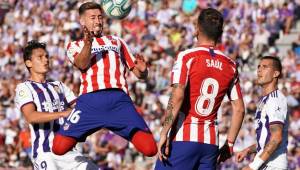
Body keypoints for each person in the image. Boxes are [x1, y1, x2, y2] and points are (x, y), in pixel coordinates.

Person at [52, 2, 157, 157]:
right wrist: (88, 43)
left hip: (118, 101)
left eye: (100, 17)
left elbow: (139, 74)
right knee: (58, 147)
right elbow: (82, 63)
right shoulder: (74, 45)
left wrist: (143, 71)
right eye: (92, 17)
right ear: (82, 21)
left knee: (150, 149)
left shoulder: (116, 41)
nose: (97, 21)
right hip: (89, 102)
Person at [154, 8, 245, 170]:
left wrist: (164, 132)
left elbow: (177, 96)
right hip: (210, 144)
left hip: (183, 138)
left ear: (197, 28)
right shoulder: (231, 65)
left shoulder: (187, 57)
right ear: (220, 32)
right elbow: (239, 109)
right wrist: (229, 144)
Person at [15, 40, 98, 170]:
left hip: (69, 152)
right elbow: (31, 116)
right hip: (46, 153)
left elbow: (80, 108)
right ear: (28, 63)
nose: (46, 60)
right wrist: (62, 113)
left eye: (47, 56)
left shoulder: (58, 85)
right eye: (40, 57)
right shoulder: (24, 88)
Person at [236, 56, 288, 170]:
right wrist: (248, 150)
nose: (259, 70)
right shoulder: (265, 100)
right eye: (259, 66)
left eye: (265, 67)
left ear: (275, 74)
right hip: (266, 164)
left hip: (273, 165)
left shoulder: (275, 99)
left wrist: (253, 167)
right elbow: (267, 140)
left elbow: (276, 138)